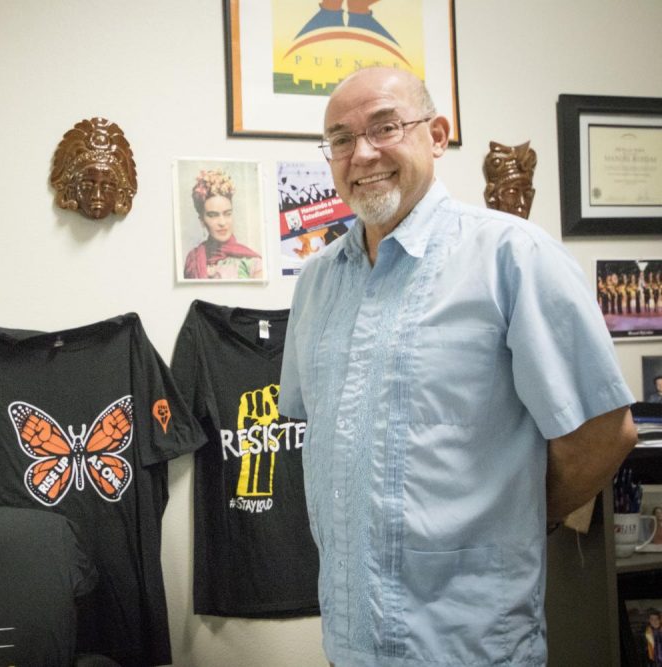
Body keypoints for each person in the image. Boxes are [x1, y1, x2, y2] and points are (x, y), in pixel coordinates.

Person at [278, 67, 637, 666]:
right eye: (341, 138)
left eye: (385, 126)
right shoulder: (317, 281)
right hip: (349, 645)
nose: (362, 153)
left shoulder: (514, 257)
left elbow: (604, 433)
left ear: (437, 134)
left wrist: (522, 513)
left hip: (470, 644)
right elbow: (322, 440)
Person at [182, 169, 263, 280]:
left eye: (227, 214)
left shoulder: (253, 262)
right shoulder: (193, 260)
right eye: (213, 215)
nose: (222, 223)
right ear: (202, 220)